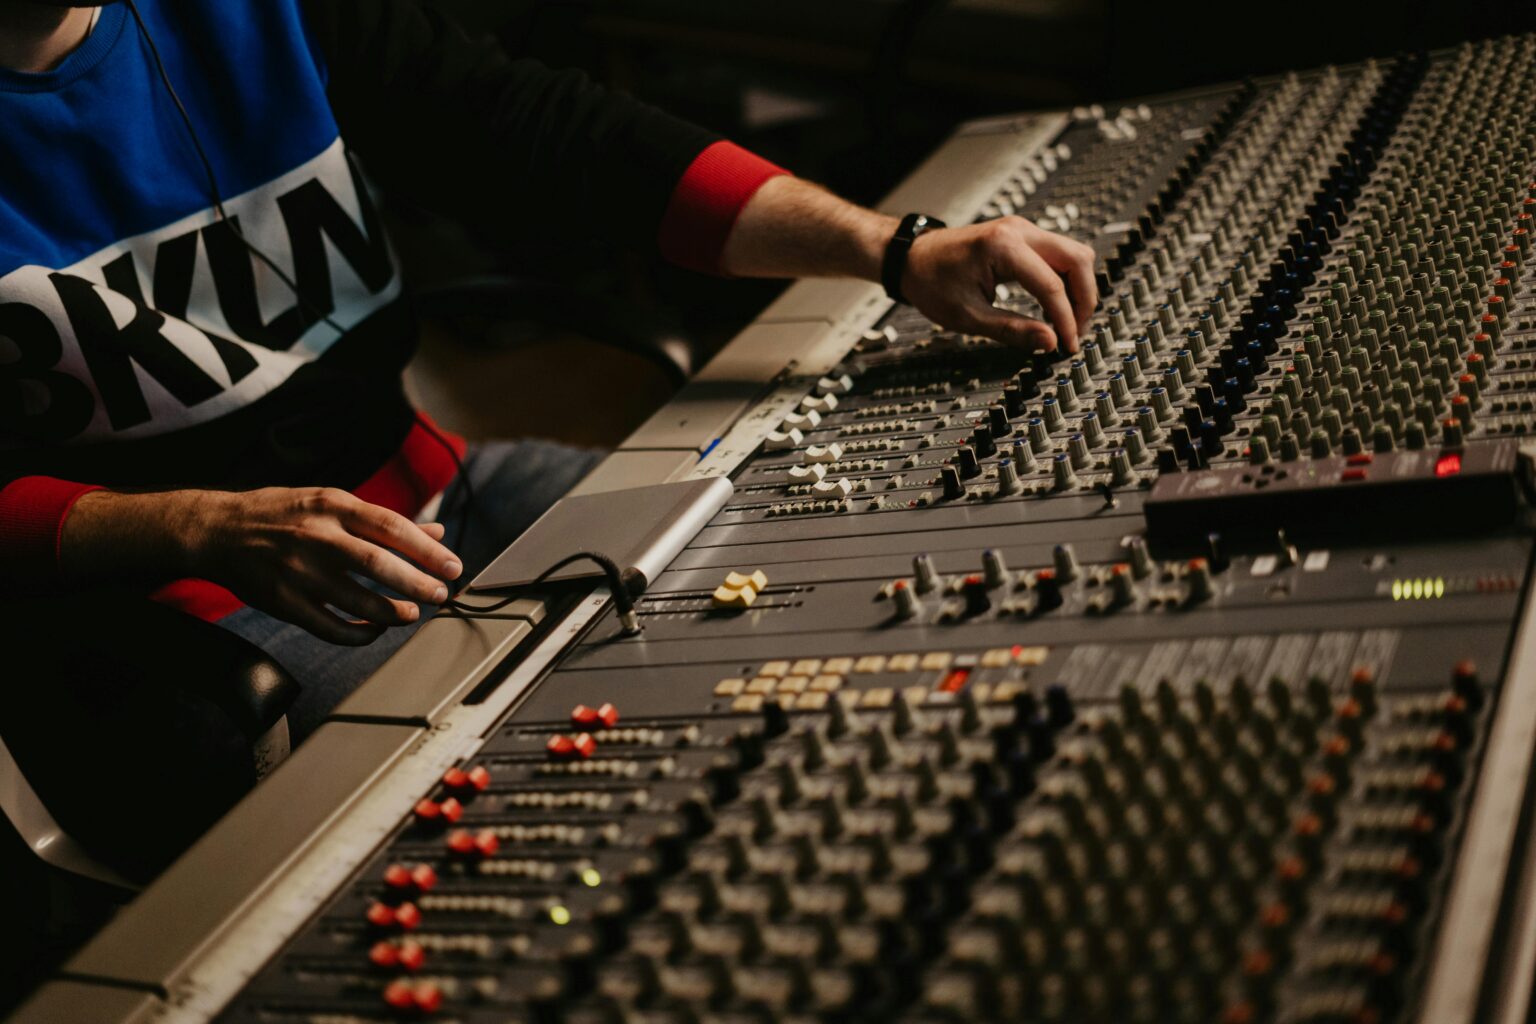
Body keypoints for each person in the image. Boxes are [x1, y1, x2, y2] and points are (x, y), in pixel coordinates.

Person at [0, 0, 1097, 740]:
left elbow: (550, 132)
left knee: (826, 582)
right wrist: (192, 525)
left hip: (437, 482)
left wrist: (891, 248)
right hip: (186, 603)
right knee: (585, 758)